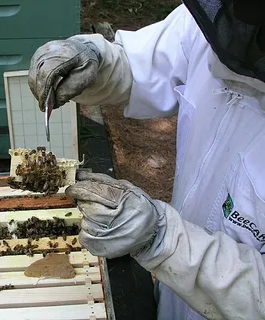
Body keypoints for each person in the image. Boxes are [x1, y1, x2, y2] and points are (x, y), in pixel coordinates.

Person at [28, 0, 265, 319]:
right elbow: (146, 64)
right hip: (172, 294)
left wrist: (161, 238)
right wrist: (97, 62)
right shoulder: (227, 14)